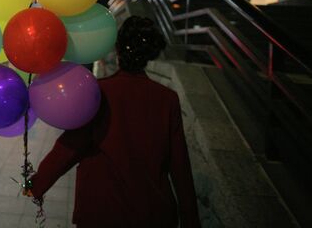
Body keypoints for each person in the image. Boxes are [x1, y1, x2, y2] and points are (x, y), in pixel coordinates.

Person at [25, 16, 200, 227]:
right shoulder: (167, 99)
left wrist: (36, 184)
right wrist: (190, 218)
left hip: (102, 210)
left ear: (118, 50)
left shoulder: (101, 92)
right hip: (153, 212)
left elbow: (71, 146)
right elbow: (179, 164)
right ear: (149, 55)